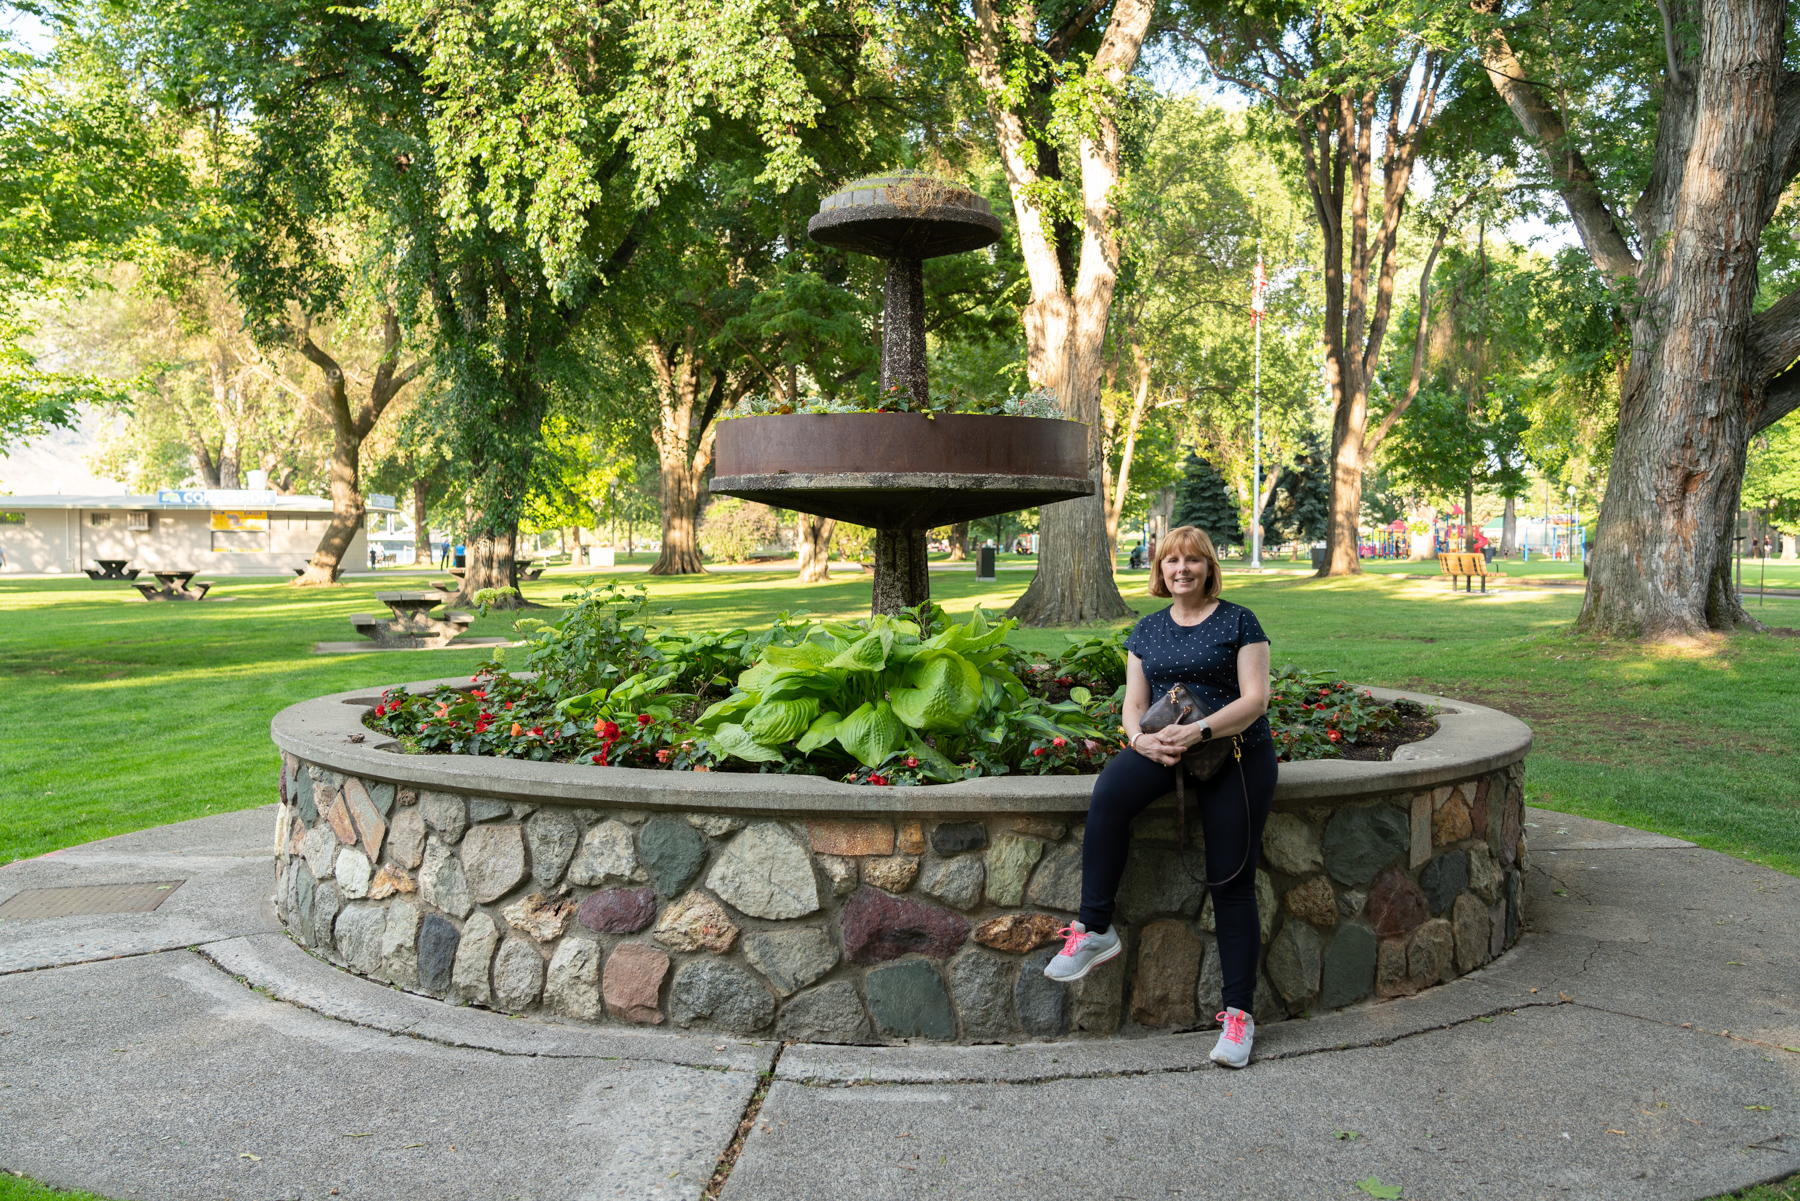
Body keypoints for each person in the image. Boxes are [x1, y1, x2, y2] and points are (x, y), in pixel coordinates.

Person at [1043, 525, 1275, 1069]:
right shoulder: (1146, 630)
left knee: (1231, 881)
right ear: (1160, 569)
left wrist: (1200, 731)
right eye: (1171, 560)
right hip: (1164, 747)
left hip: (1234, 753)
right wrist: (1138, 740)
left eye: (1192, 560)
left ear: (1209, 567)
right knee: (1109, 794)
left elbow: (1256, 700)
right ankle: (1095, 928)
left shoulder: (1239, 621)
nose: (1181, 569)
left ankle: (1238, 1017)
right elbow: (1134, 703)